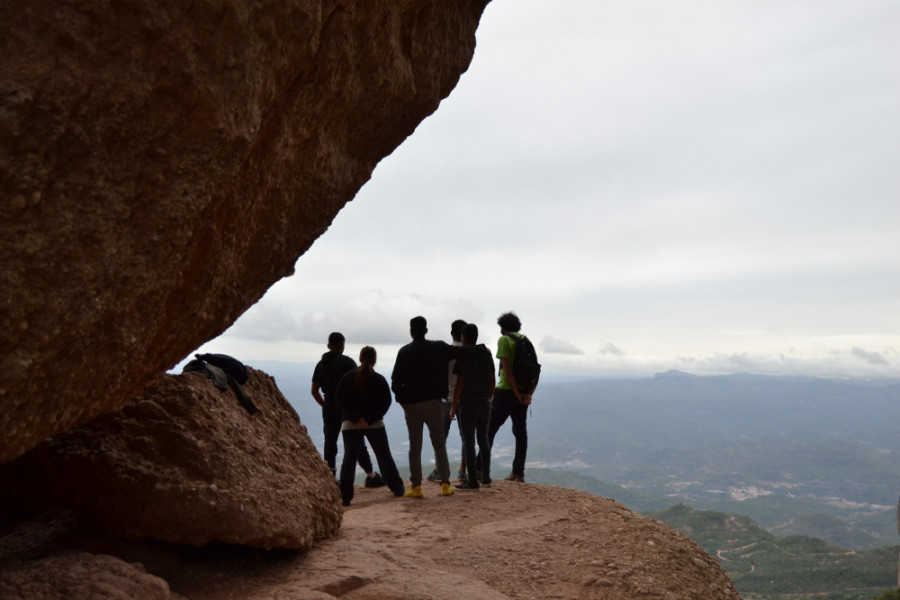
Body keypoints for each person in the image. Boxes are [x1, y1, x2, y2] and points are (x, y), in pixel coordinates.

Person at [391, 316, 461, 498]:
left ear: (411, 332)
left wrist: (402, 400)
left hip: (412, 406)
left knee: (415, 446)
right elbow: (459, 351)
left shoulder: (404, 352)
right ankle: (445, 484)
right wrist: (481, 350)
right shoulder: (438, 348)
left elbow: (395, 381)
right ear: (426, 330)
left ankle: (416, 486)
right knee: (439, 443)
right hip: (435, 404)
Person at [334, 346, 406, 506]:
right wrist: (370, 419)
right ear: (375, 360)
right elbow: (386, 402)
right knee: (384, 456)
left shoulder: (347, 378)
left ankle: (345, 497)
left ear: (360, 358)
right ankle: (397, 488)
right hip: (374, 424)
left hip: (350, 424)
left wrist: (354, 418)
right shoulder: (379, 379)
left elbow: (339, 400)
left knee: (349, 460)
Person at [311, 332, 385, 488]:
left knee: (329, 443)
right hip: (347, 408)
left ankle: (331, 479)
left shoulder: (320, 364)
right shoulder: (348, 363)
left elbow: (314, 390)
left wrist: (325, 405)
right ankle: (371, 476)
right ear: (342, 345)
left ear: (328, 346)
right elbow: (358, 385)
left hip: (329, 407)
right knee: (356, 443)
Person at [487, 312, 539, 483]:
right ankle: (518, 473)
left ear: (503, 327)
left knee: (489, 429)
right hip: (523, 393)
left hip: (505, 392)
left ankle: (480, 469)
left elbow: (507, 371)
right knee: (520, 433)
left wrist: (516, 394)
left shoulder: (504, 340)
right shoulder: (526, 341)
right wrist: (527, 395)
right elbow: (536, 370)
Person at [450, 323, 495, 490]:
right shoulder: (487, 355)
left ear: (464, 338)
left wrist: (454, 406)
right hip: (484, 402)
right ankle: (486, 476)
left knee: (469, 443)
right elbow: (492, 381)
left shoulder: (464, 357)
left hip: (468, 403)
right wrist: (488, 398)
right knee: (483, 440)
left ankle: (472, 482)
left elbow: (459, 384)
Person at [427, 319, 467, 483]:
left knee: (440, 437)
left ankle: (439, 469)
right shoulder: (469, 353)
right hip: (464, 399)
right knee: (466, 436)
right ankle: (463, 471)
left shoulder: (444, 353)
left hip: (444, 399)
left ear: (452, 333)